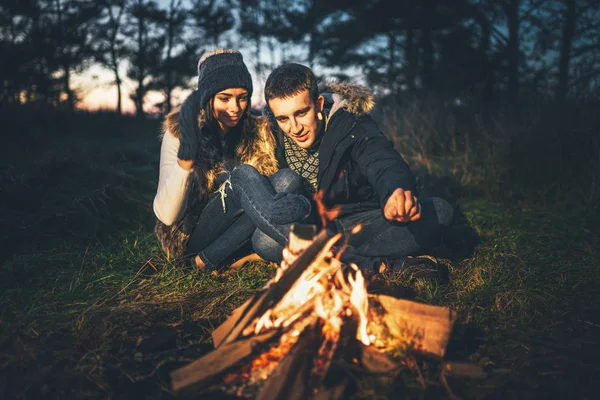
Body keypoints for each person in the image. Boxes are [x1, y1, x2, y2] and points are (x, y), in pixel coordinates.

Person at [227, 63, 454, 276]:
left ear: (318, 105)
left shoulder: (349, 123)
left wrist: (396, 191)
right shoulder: (270, 139)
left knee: (439, 211)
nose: (294, 128)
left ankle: (326, 256)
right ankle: (369, 263)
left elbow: (381, 159)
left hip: (357, 223)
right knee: (265, 242)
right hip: (307, 229)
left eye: (301, 113)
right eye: (283, 119)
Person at [153, 49, 310, 270]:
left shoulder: (258, 132)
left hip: (244, 229)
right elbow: (168, 216)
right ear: (208, 98)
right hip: (195, 235)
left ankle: (206, 261)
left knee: (287, 178)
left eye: (242, 98)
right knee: (243, 175)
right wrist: (186, 161)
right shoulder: (181, 131)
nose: (235, 108)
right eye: (224, 98)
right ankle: (317, 253)